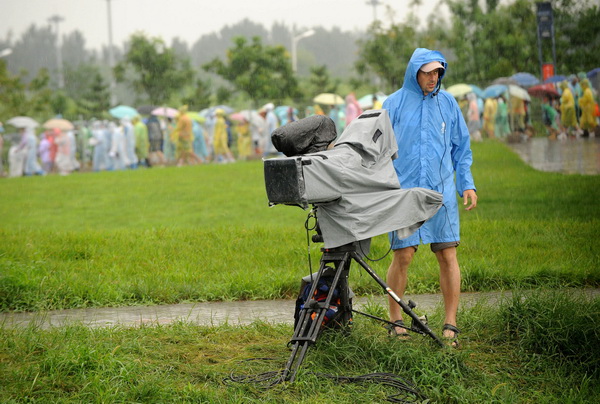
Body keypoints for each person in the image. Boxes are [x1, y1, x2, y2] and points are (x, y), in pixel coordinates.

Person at [382, 48, 477, 348]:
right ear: (414, 73)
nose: (433, 78)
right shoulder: (393, 104)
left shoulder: (448, 104)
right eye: (428, 72)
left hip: (441, 193)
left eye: (438, 72)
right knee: (404, 255)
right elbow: (379, 149)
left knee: (447, 254)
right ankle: (396, 320)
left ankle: (451, 323)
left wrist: (467, 184)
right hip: (404, 192)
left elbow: (461, 149)